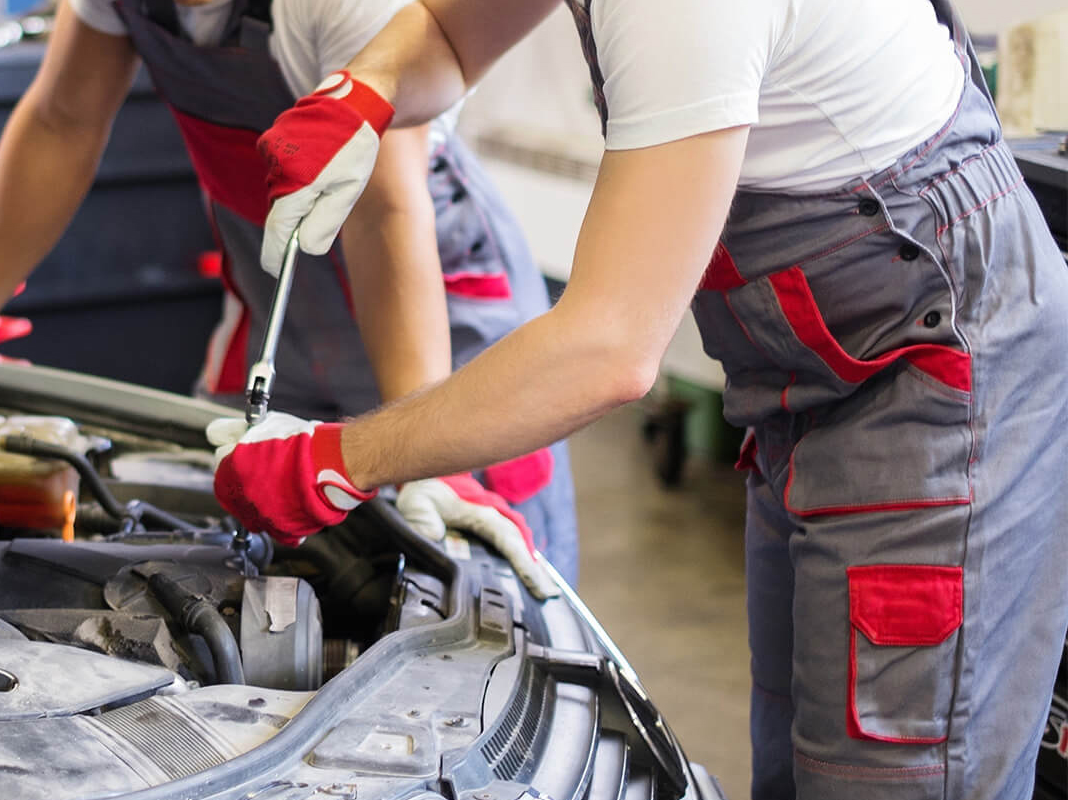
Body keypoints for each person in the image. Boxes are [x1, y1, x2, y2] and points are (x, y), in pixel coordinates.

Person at [208, 0, 1068, 796]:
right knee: (803, 764)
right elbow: (449, 33)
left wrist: (339, 460)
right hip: (805, 393)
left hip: (936, 387)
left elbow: (609, 349)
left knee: (889, 779)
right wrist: (365, 87)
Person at [0, 0, 580, 582]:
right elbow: (63, 124)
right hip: (276, 304)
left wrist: (430, 451)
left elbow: (383, 211)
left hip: (436, 314)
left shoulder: (341, 6)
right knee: (226, 533)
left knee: (475, 571)